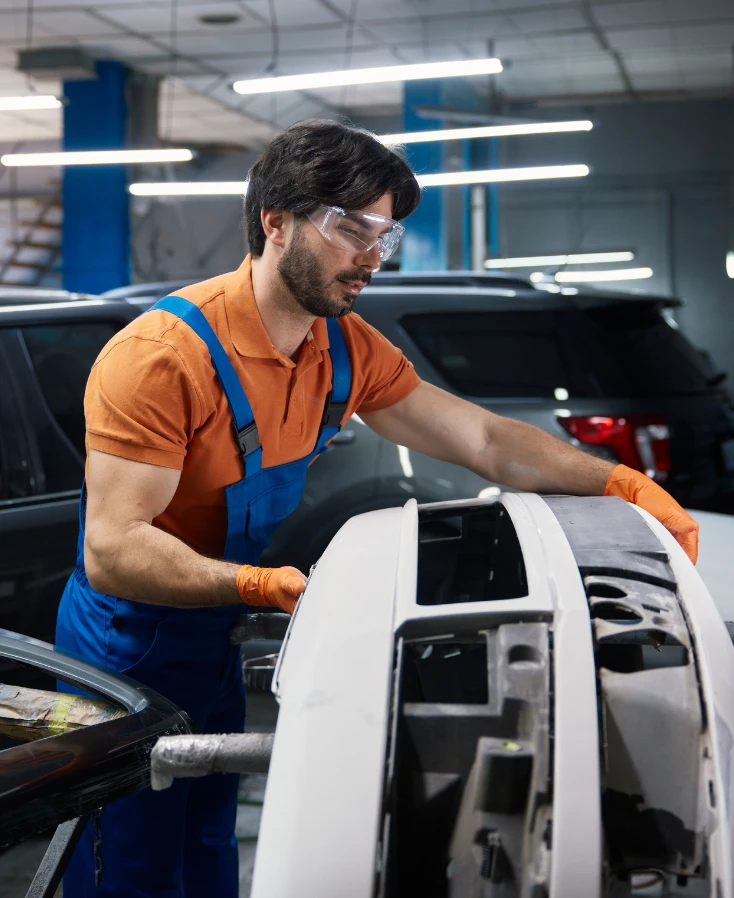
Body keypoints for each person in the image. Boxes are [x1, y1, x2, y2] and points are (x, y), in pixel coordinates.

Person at [55, 119, 699, 897]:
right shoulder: (162, 358)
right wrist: (255, 585)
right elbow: (114, 548)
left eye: (385, 235)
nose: (372, 256)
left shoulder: (343, 349)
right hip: (124, 647)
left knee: (206, 839)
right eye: (351, 229)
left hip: (210, 635)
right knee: (130, 861)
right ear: (276, 222)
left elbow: (483, 438)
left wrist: (618, 481)